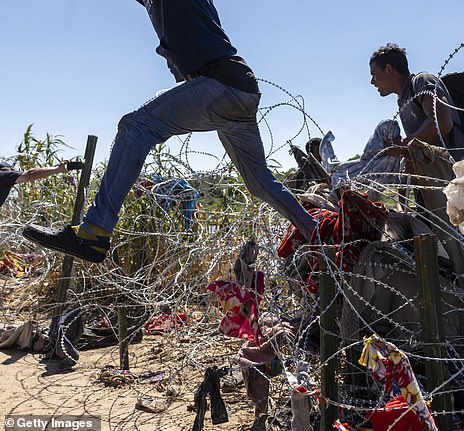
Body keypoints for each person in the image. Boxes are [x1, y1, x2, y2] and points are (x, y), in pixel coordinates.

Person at [22, 0, 317, 264]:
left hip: (219, 83)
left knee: (135, 126)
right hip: (241, 90)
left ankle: (95, 230)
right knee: (261, 183)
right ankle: (317, 234)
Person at [368, 43, 464, 163]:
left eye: (374, 74)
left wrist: (402, 145)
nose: (372, 81)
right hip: (438, 171)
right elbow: (422, 144)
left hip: (460, 169)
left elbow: (442, 123)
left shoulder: (421, 81)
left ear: (388, 69)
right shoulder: (402, 101)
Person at [0, 160, 72, 208]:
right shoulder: (4, 175)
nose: (15, 172)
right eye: (14, 171)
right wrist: (58, 169)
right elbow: (31, 174)